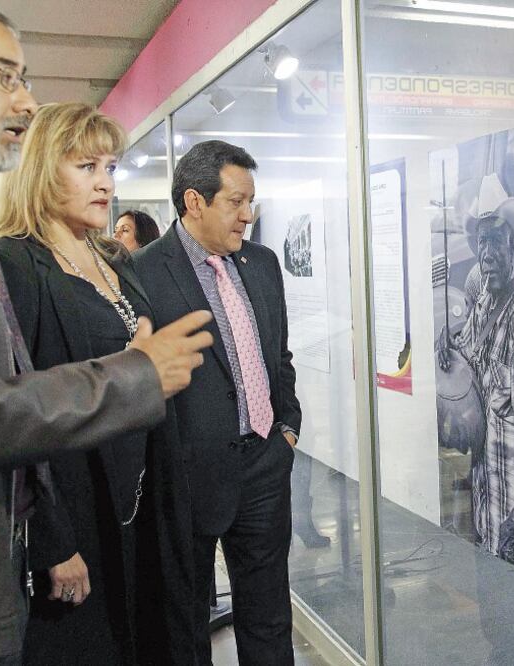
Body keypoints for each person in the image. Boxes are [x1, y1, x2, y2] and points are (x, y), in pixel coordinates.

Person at [0, 3, 212, 664]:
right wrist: (134, 375)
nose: (25, 98)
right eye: (4, 76)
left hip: (102, 524)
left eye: (110, 168)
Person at [0, 102, 192, 664]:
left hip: (145, 499)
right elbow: (14, 413)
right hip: (79, 511)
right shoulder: (16, 265)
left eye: (110, 168)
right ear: (40, 172)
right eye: (87, 168)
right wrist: (52, 543)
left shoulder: (115, 261)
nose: (106, 184)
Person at [133, 140, 302, 666]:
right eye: (236, 202)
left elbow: (279, 355)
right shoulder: (143, 273)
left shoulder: (263, 263)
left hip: (264, 467)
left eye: (251, 202)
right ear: (194, 202)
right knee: (184, 627)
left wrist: (287, 429)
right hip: (187, 480)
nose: (248, 216)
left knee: (269, 618)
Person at [435, 173, 514, 578]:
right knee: (495, 629)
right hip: (489, 512)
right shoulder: (484, 305)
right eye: (481, 240)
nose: (486, 251)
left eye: (495, 240)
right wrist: (447, 344)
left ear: (511, 243)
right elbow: (468, 368)